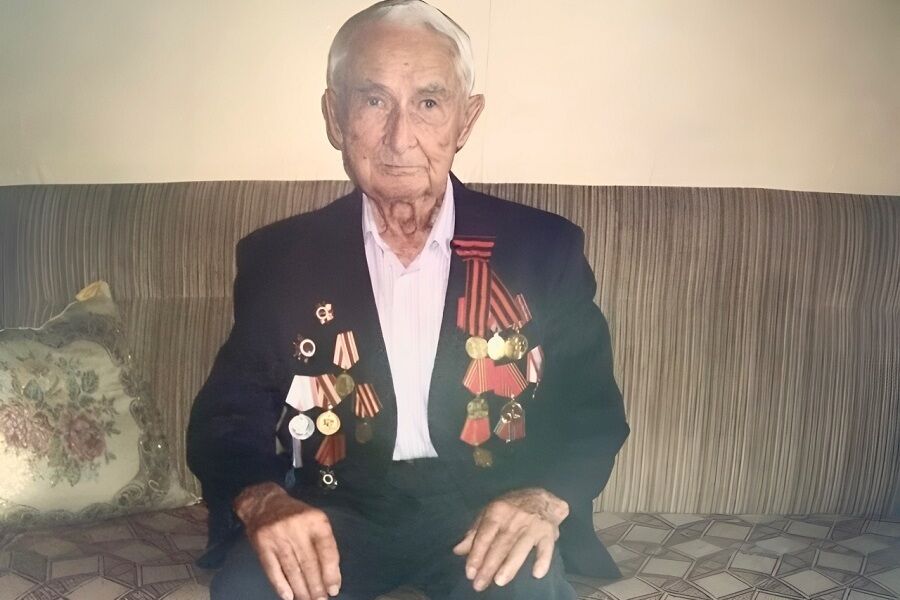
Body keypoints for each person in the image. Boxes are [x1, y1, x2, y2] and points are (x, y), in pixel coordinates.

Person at [186, 1, 629, 599]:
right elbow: (227, 416)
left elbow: (591, 408)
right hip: (334, 509)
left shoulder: (543, 249)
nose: (399, 138)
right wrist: (265, 500)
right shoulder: (280, 258)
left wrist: (543, 499)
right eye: (373, 101)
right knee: (249, 591)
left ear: (465, 120)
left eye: (428, 103)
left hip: (488, 512)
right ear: (334, 116)